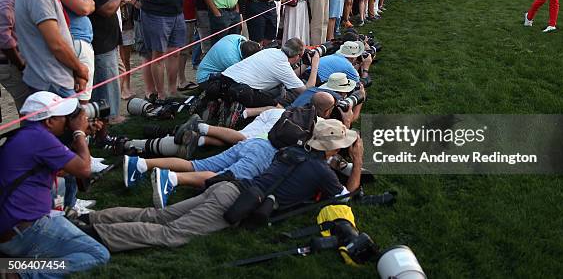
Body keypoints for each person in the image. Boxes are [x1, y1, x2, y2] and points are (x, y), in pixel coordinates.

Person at [78, 118, 363, 252]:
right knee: (170, 233)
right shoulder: (321, 172)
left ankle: (90, 217)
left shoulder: (294, 152)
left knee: (159, 216)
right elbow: (346, 196)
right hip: (232, 201)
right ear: (333, 149)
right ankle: (95, 235)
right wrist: (358, 161)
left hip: (228, 186)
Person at [124, 92, 337, 208]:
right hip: (266, 154)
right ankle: (172, 180)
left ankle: (141, 164)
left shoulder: (295, 111)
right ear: (328, 111)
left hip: (253, 143)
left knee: (196, 164)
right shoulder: (321, 128)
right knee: (224, 178)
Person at [0, 91, 110, 272]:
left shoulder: (28, 134)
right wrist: (79, 133)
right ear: (49, 121)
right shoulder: (40, 138)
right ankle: (17, 271)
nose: (67, 120)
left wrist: (79, 137)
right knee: (98, 254)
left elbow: (66, 168)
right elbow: (84, 169)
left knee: (59, 186)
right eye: (62, 116)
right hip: (25, 231)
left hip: (11, 228)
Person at [72, 0, 123, 120]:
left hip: (104, 41)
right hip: (101, 43)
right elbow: (106, 8)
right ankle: (109, 122)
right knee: (105, 88)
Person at [221, 37, 319, 107]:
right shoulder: (283, 66)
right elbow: (307, 90)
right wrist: (315, 65)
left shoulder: (272, 51)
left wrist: (305, 64)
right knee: (278, 108)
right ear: (297, 56)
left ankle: (223, 103)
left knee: (276, 91)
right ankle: (241, 112)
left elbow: (289, 77)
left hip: (225, 78)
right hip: (242, 89)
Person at [0, 0, 31, 110]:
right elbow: (3, 35)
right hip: (14, 65)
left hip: (24, 61)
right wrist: (22, 66)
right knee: (30, 111)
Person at [110, 0, 136, 99]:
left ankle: (127, 87)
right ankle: (117, 90)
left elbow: (133, 1)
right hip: (112, 25)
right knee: (115, 60)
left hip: (126, 24)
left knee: (125, 58)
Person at [195, 34, 260, 85]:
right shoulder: (232, 59)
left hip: (216, 70)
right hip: (205, 79)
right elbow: (243, 77)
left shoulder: (239, 38)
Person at [177, 0, 199, 91]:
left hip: (192, 14)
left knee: (187, 48)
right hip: (183, 15)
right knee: (182, 50)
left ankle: (182, 79)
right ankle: (181, 80)